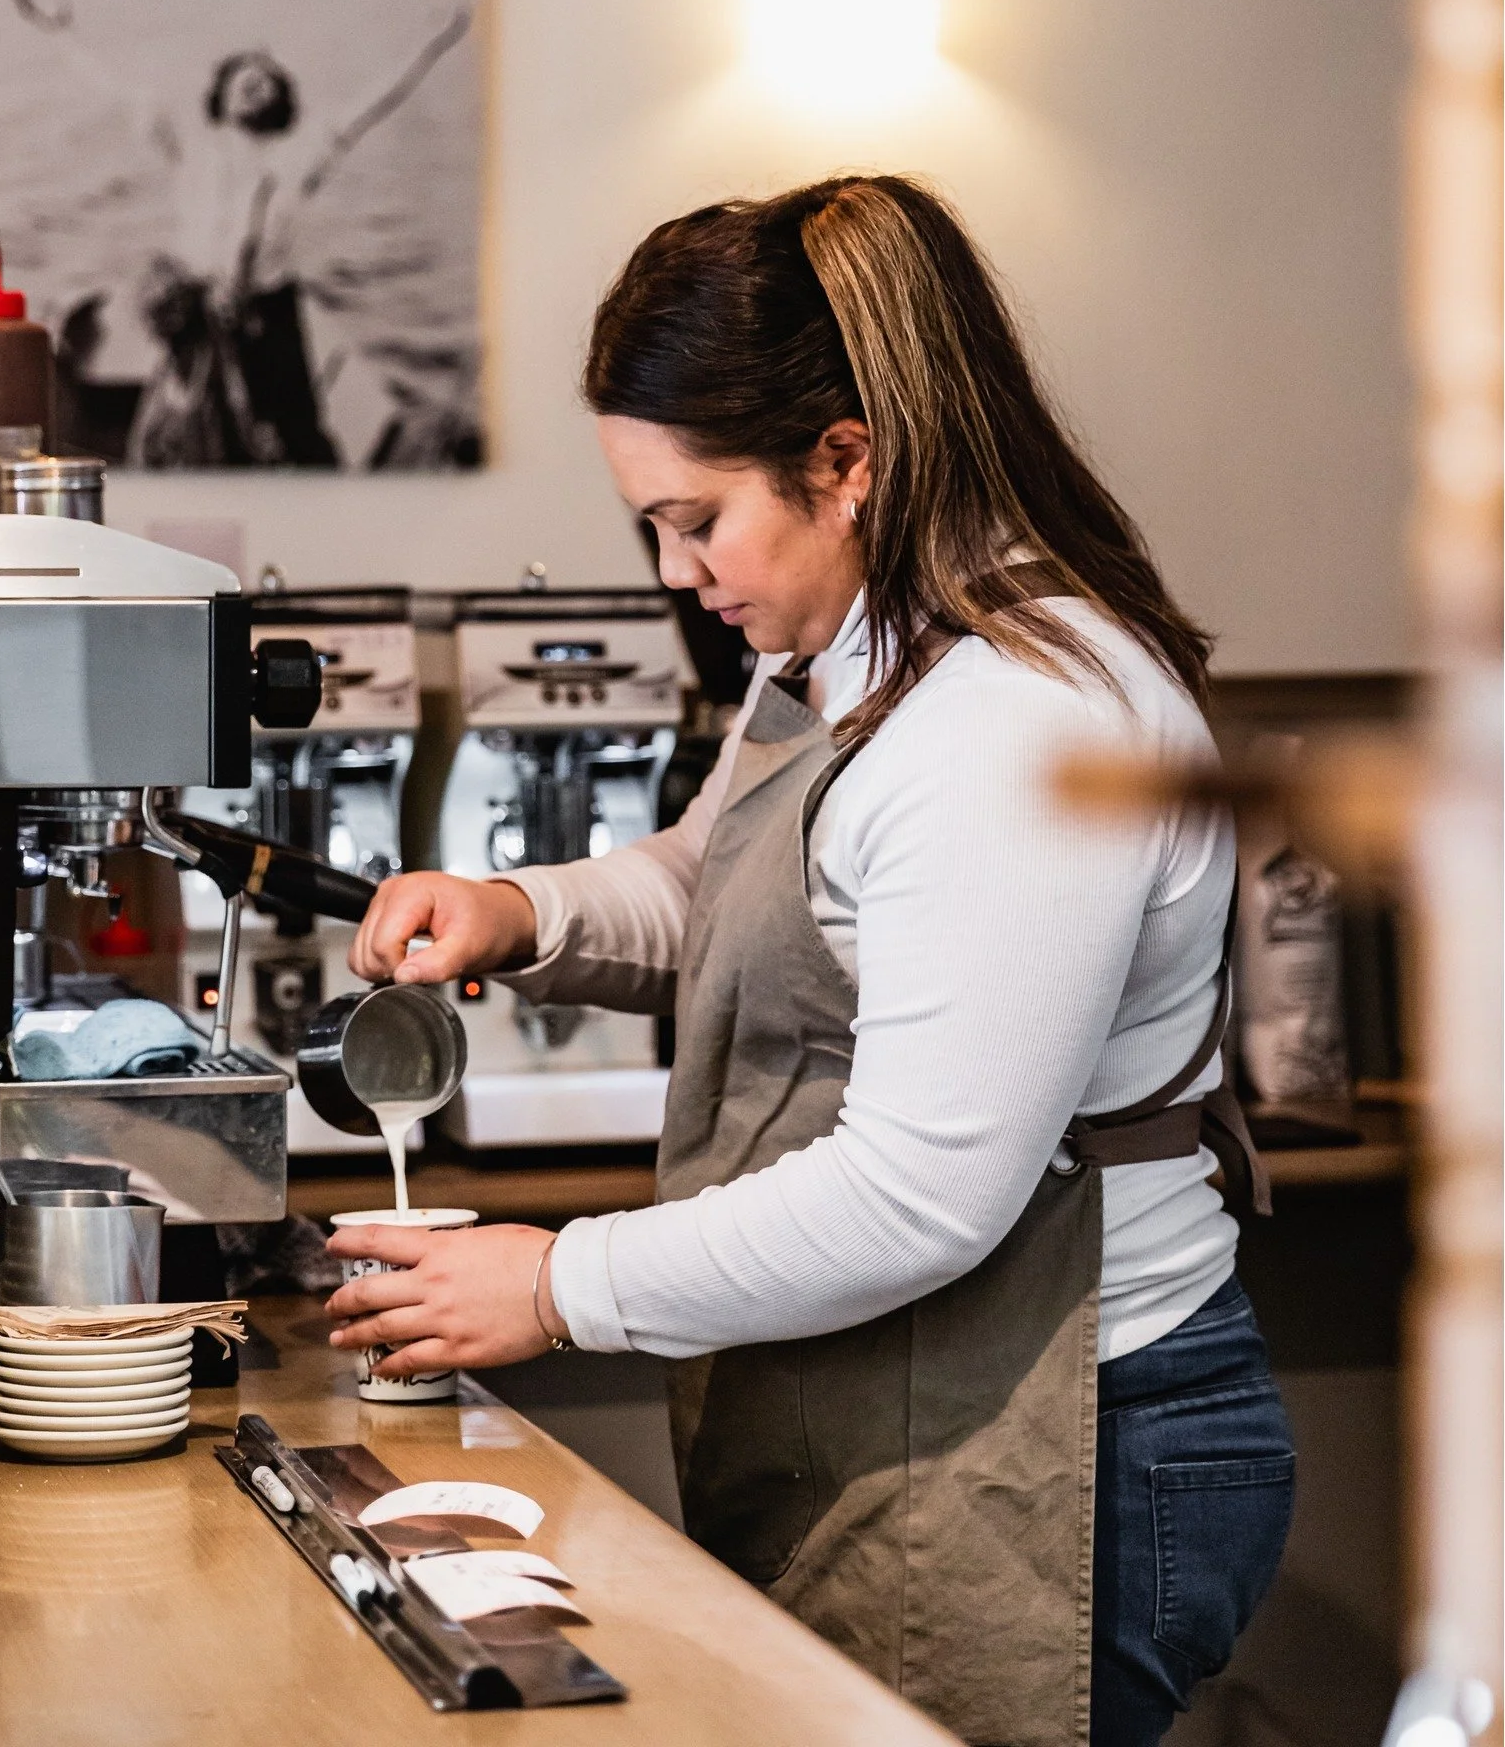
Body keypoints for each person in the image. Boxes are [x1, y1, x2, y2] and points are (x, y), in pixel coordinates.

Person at [328, 176, 1296, 1746]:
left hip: (1067, 1442)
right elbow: (733, 880)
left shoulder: (1013, 719)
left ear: (843, 461)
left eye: (693, 518)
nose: (669, 571)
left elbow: (917, 1194)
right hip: (910, 1395)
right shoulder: (845, 648)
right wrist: (529, 913)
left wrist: (557, 1283)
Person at [13, 0, 470, 465]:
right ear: (222, 94)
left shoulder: (302, 150)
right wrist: (60, 34)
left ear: (282, 95)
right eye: (243, 74)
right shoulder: (191, 145)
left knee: (298, 431)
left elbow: (376, 100)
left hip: (268, 312)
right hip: (192, 309)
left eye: (267, 76)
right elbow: (119, 86)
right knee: (194, 424)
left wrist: (433, 43)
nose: (256, 80)